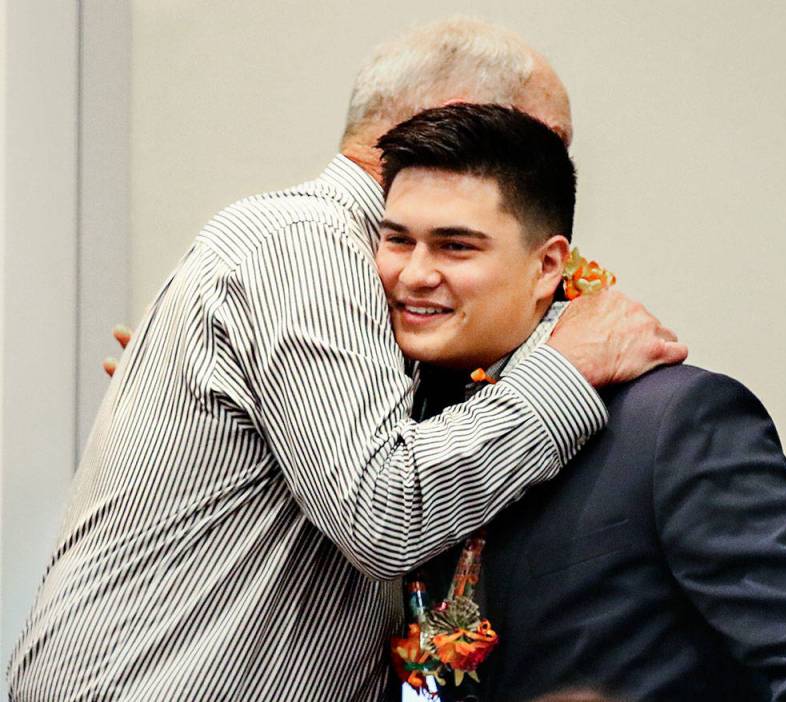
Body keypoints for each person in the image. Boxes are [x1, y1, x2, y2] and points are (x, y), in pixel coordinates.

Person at [7, 20, 685, 702]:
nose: (552, 183)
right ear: (447, 126)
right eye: (543, 146)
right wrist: (568, 369)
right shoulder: (306, 245)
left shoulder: (358, 272)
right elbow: (383, 515)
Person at [374, 104, 786, 701]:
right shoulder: (408, 421)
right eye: (397, 240)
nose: (413, 274)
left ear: (547, 266)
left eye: (455, 247)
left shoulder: (674, 419)